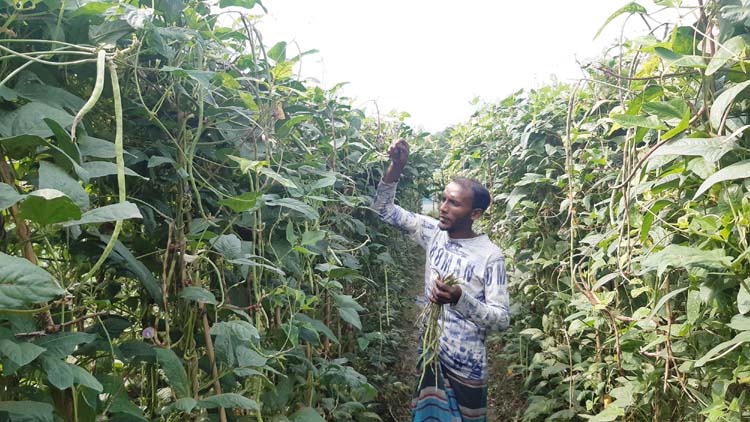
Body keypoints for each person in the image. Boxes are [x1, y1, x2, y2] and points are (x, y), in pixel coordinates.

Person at [372, 138, 510, 421]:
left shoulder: (490, 256)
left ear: (475, 214)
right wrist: (395, 168)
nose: (443, 207)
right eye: (444, 199)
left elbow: (501, 319)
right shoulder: (432, 231)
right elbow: (383, 210)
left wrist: (460, 299)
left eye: (454, 203)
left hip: (466, 368)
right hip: (431, 354)